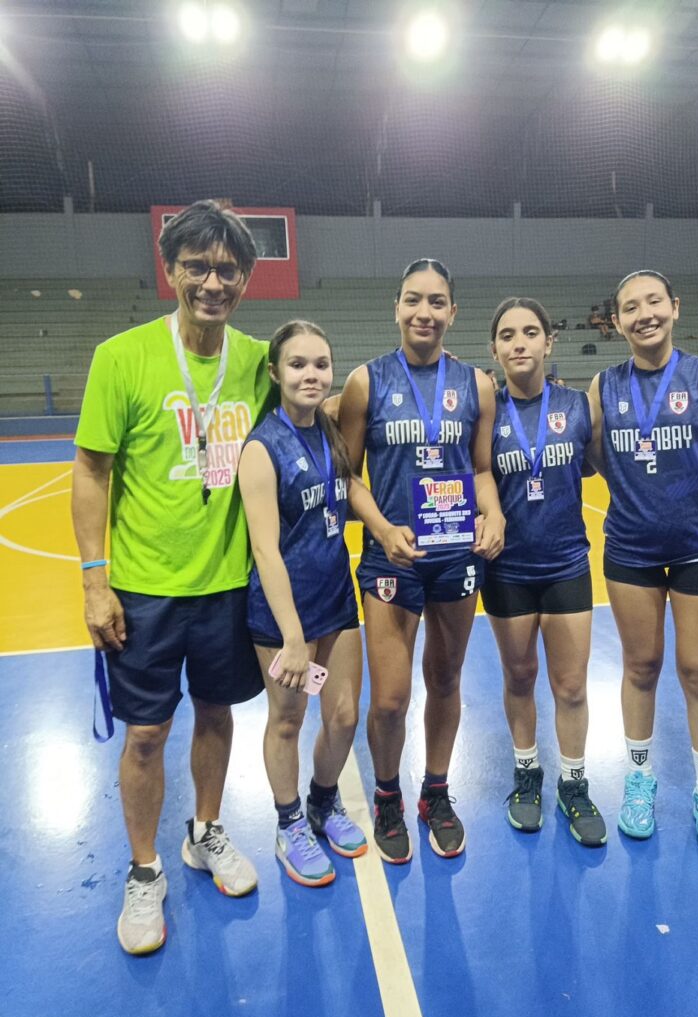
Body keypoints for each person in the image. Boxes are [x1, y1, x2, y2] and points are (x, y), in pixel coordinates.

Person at [72, 199, 271, 955]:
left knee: (217, 715)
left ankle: (206, 833)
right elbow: (91, 470)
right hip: (147, 589)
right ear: (170, 269)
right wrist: (96, 581)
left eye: (227, 269)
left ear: (245, 279)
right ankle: (145, 870)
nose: (212, 282)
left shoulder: (256, 360)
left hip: (226, 584)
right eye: (197, 266)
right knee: (148, 733)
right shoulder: (122, 358)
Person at [339, 258, 506, 864]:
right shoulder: (366, 382)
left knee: (445, 679)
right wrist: (381, 527)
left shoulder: (477, 386)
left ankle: (435, 792)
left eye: (437, 302)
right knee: (388, 698)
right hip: (393, 558)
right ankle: (388, 794)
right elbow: (348, 476)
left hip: (456, 555)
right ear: (397, 306)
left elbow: (482, 469)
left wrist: (496, 515)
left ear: (452, 313)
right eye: (414, 299)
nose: (425, 312)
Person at [588, 269, 698, 859]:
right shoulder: (603, 386)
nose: (643, 314)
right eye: (630, 306)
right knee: (640, 666)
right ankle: (638, 779)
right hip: (630, 549)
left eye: (653, 301)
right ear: (617, 321)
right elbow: (597, 458)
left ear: (675, 308)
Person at [238, 321, 370, 887]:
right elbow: (265, 550)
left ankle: (322, 801)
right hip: (282, 616)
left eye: (320, 363)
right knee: (288, 720)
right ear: (275, 372)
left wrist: (387, 528)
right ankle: (289, 822)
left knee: (343, 715)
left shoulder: (331, 430)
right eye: (297, 364)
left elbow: (349, 489)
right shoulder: (261, 449)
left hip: (337, 599)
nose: (310, 374)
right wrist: (292, 636)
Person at [483, 298, 606, 847]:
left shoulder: (578, 407)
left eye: (531, 332)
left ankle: (574, 783)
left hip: (566, 566)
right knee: (519, 678)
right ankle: (527, 774)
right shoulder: (485, 417)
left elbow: (600, 464)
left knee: (572, 685)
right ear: (494, 349)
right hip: (507, 571)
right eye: (507, 335)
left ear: (549, 341)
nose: (519, 343)